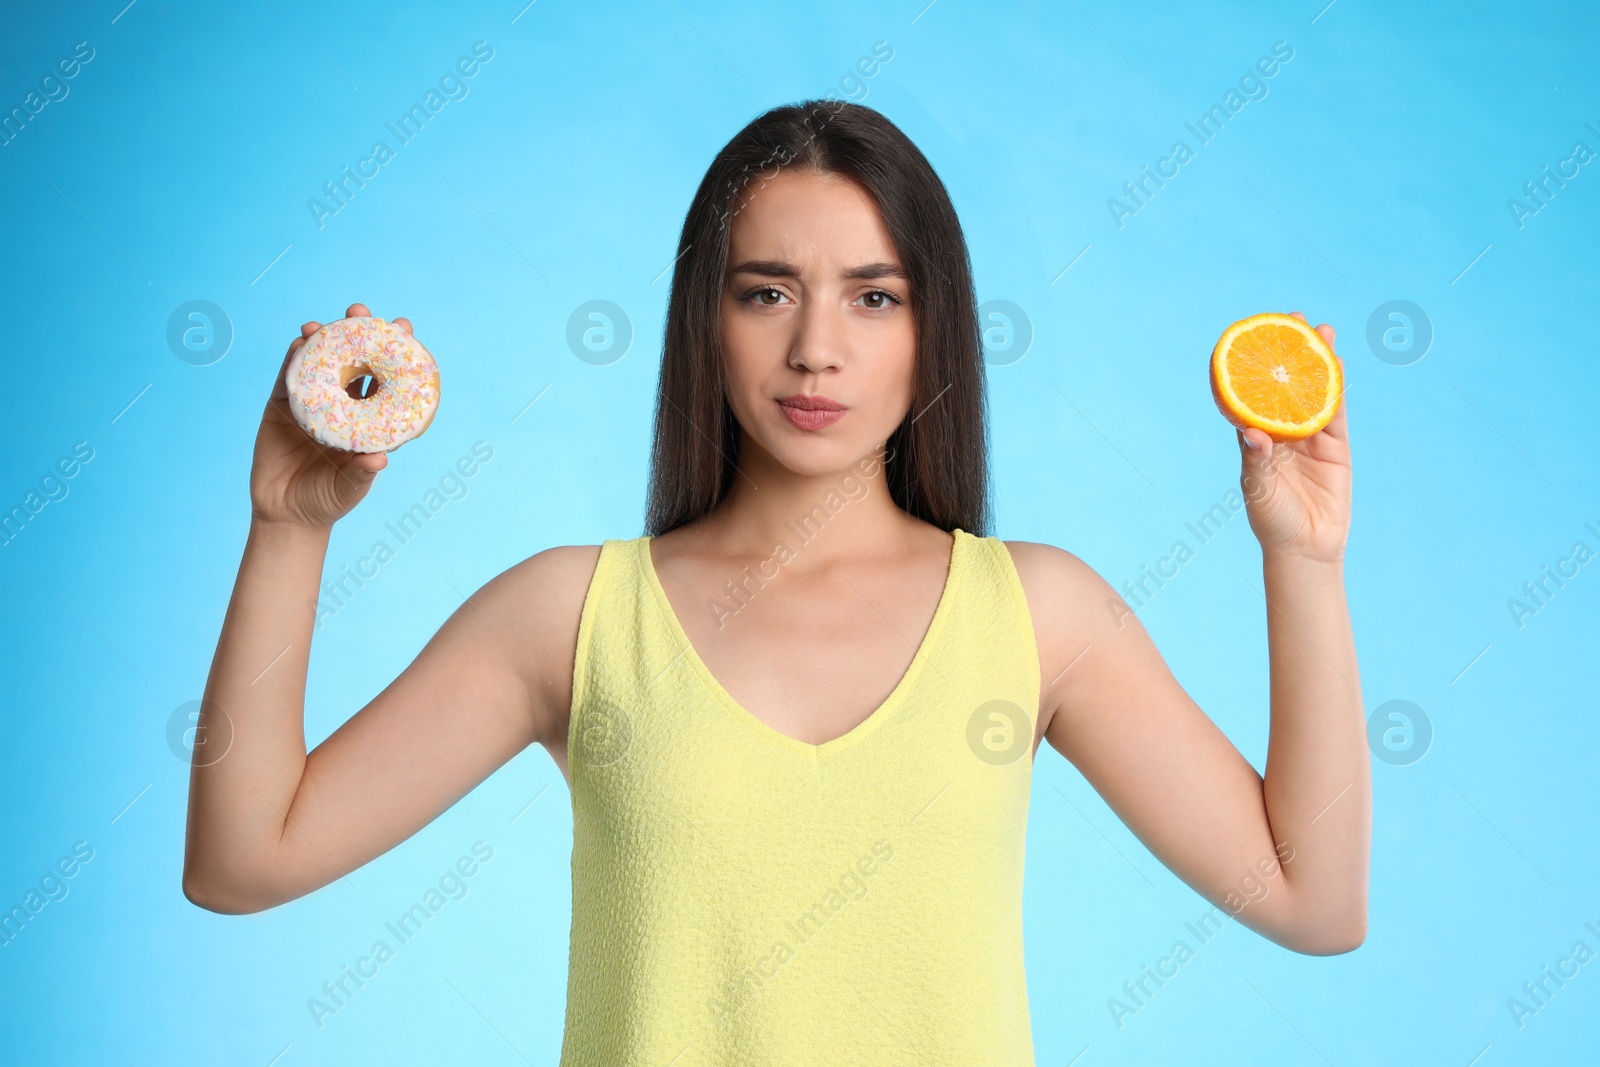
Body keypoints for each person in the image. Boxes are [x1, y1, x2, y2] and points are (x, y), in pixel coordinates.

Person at [183, 100, 1369, 1064]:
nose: (816, 347)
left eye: (873, 295)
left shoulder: (1037, 613)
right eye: (765, 291)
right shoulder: (568, 616)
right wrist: (286, 529)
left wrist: (1301, 561)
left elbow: (1314, 900)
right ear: (706, 319)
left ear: (932, 327)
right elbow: (245, 860)